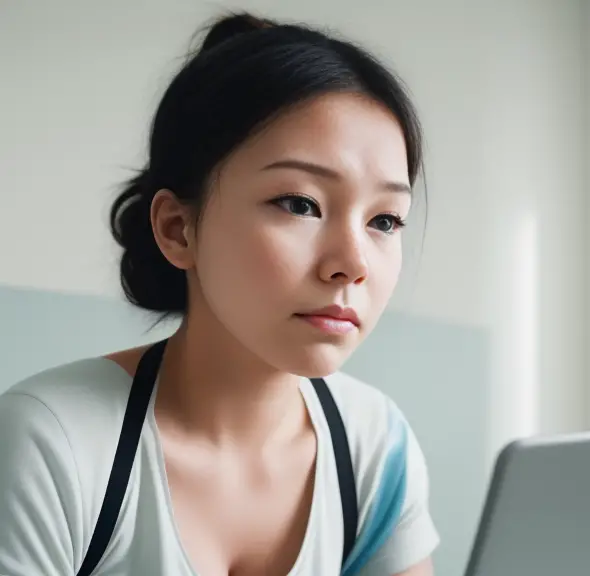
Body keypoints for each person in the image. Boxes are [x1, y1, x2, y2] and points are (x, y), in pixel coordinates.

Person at [0, 11, 439, 576]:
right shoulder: (52, 443)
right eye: (300, 204)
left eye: (385, 220)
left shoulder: (373, 444)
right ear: (178, 229)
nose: (352, 263)